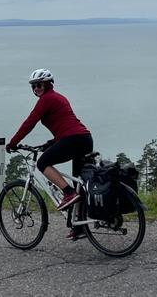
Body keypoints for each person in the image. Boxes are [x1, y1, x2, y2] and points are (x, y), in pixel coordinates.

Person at [6, 68, 93, 240]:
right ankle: (79, 227)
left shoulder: (47, 99)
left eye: (39, 85)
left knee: (42, 163)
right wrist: (51, 143)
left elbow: (30, 122)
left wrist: (13, 142)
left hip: (73, 139)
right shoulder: (59, 97)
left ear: (47, 84)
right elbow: (64, 124)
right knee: (79, 184)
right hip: (84, 138)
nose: (36, 89)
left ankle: (68, 193)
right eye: (33, 86)